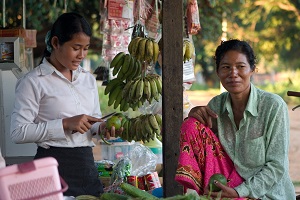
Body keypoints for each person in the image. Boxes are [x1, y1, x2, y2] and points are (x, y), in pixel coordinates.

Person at [10, 12, 118, 197]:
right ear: (55, 43)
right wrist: (65, 124)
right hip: (51, 166)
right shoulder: (34, 81)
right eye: (76, 48)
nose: (82, 55)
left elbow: (93, 123)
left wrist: (102, 128)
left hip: (86, 166)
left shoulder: (87, 80)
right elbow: (18, 132)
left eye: (85, 49)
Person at [175, 39, 296, 199]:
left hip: (267, 193)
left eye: (240, 66)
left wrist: (240, 192)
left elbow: (277, 166)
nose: (233, 74)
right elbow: (203, 145)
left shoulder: (273, 106)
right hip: (230, 184)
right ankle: (206, 193)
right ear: (218, 72)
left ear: (252, 69)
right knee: (190, 125)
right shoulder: (216, 105)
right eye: (226, 67)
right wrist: (195, 114)